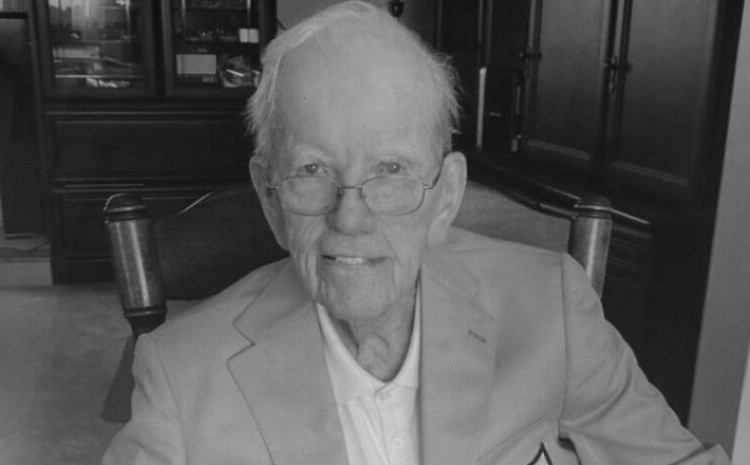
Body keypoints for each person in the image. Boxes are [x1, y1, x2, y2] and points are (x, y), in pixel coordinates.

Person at [102, 2, 732, 464]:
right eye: (312, 171)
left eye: (391, 170)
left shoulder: (552, 311)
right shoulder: (182, 376)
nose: (351, 218)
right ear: (270, 196)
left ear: (446, 197)